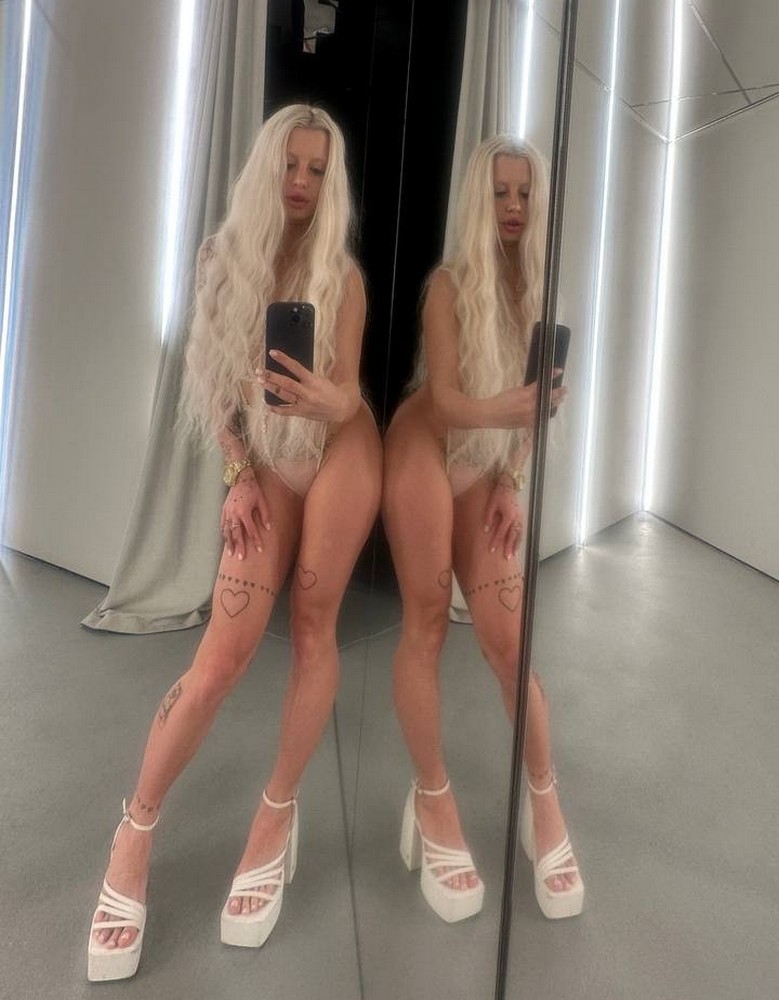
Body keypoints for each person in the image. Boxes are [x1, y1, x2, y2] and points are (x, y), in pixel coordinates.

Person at [87, 104, 382, 981]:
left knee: (315, 623)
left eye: (317, 170)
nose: (301, 181)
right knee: (221, 654)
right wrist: (238, 472)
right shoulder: (222, 259)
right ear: (265, 167)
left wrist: (332, 402)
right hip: (267, 459)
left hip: (342, 450)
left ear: (331, 183)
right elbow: (215, 384)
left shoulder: (343, 276)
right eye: (290, 164)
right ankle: (134, 829)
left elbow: (348, 398)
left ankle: (276, 813)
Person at [382, 135, 583, 923]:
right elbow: (446, 403)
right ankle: (430, 799)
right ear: (479, 197)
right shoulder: (447, 285)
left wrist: (508, 478)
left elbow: (537, 407)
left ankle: (544, 799)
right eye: (500, 191)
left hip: (482, 460)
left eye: (524, 193)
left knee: (509, 643)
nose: (513, 205)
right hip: (425, 446)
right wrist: (511, 414)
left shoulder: (536, 287)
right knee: (427, 622)